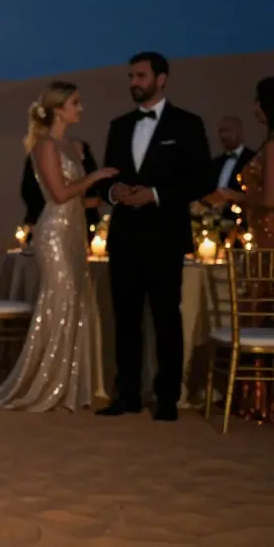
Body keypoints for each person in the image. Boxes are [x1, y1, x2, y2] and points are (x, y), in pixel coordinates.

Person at [0, 82, 116, 412]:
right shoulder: (45, 146)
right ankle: (45, 383)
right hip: (53, 237)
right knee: (59, 302)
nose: (81, 109)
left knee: (75, 305)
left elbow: (78, 201)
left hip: (74, 233)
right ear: (57, 109)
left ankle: (67, 385)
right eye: (75, 103)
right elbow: (60, 195)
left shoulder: (71, 146)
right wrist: (96, 176)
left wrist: (113, 197)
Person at [91, 51, 212, 422]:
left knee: (165, 318)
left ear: (162, 79)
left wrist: (155, 194)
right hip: (125, 235)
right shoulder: (120, 125)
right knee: (126, 319)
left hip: (165, 236)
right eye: (130, 76)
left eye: (140, 76)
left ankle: (167, 398)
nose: (133, 83)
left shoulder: (187, 125)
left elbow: (201, 180)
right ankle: (125, 394)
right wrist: (115, 193)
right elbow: (108, 174)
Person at [210, 79, 274, 421]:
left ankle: (259, 400)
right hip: (262, 236)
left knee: (260, 310)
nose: (254, 108)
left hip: (268, 239)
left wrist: (234, 197)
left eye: (257, 102)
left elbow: (269, 200)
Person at [21, 141, 103, 238]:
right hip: (50, 228)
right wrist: (81, 202)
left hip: (84, 226)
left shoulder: (81, 150)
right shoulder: (39, 153)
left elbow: (95, 192)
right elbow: (31, 192)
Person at [202, 115, 255, 232]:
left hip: (243, 225)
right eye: (221, 131)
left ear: (239, 132)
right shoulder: (215, 163)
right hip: (213, 224)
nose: (223, 135)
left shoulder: (253, 160)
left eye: (227, 131)